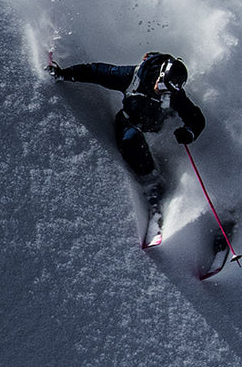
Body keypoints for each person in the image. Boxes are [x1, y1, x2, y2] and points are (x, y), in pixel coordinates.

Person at [47, 51, 205, 245]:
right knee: (132, 141)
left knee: (150, 138)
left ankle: (161, 178)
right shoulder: (133, 77)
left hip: (155, 131)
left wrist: (188, 132)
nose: (161, 91)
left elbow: (197, 119)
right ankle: (153, 188)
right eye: (162, 85)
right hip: (130, 124)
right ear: (160, 74)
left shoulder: (174, 96)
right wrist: (64, 74)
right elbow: (97, 72)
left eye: (167, 91)